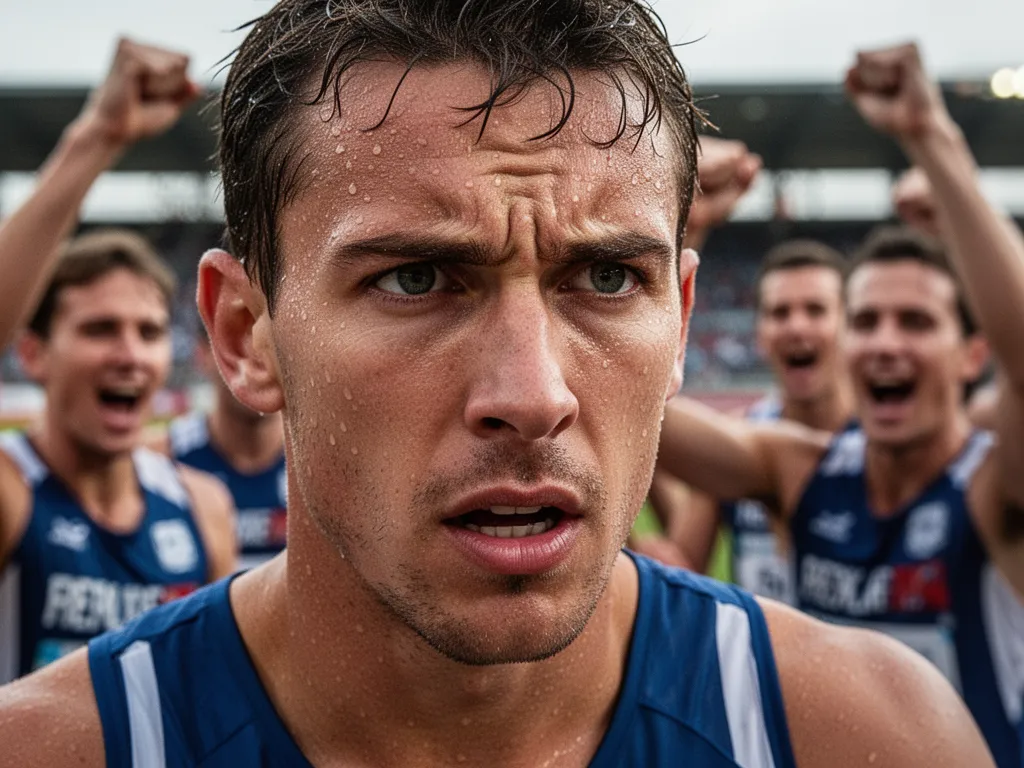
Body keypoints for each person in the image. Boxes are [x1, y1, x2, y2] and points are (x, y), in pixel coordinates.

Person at [0, 9, 995, 767]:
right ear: (243, 332)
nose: (532, 393)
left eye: (607, 278)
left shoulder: (866, 737)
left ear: (683, 318)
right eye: (416, 278)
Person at [658, 43, 1024, 767]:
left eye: (916, 322)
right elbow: (634, 407)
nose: (886, 343)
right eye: (867, 322)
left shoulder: (993, 487)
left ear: (971, 356)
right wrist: (682, 230)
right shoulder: (796, 468)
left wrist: (931, 135)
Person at [0, 40, 237, 684]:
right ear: (33, 354)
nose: (130, 353)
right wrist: (98, 137)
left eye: (149, 330)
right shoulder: (13, 493)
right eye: (101, 329)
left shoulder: (200, 506)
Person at [646, 241, 853, 600]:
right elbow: (683, 569)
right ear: (759, 334)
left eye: (816, 310)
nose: (796, 327)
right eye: (780, 313)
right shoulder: (735, 437)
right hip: (763, 654)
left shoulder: (885, 443)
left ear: (851, 326)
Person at [159, 328, 287, 570]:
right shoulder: (164, 458)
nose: (255, 361)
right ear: (202, 354)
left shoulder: (325, 464)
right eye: (236, 343)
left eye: (269, 342)